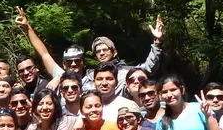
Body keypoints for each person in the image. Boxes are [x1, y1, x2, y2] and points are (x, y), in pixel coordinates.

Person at [14, 6, 164, 95]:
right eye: (69, 62)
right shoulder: (64, 76)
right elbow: (44, 53)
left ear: (83, 62)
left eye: (77, 61)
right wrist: (27, 28)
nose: (73, 64)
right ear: (64, 64)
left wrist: (157, 42)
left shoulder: (106, 75)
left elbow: (147, 68)